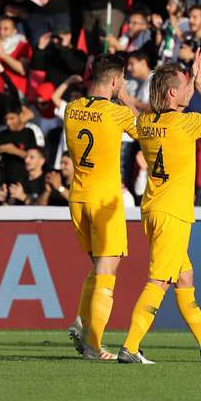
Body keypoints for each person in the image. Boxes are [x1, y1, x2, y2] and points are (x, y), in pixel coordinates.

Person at [118, 49, 201, 364]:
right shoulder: (188, 123)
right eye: (185, 85)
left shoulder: (146, 123)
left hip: (152, 209)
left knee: (185, 278)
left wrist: (124, 96)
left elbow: (135, 117)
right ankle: (130, 347)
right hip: (174, 213)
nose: (189, 89)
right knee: (159, 280)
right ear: (173, 92)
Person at [62, 54, 138, 360]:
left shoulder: (72, 108)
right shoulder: (115, 112)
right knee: (108, 271)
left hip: (78, 196)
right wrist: (126, 98)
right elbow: (143, 130)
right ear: (116, 81)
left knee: (98, 266)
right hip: (105, 200)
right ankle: (94, 344)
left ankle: (82, 322)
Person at [0, 100, 39, 186]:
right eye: (6, 119)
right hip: (5, 181)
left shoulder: (29, 133)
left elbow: (34, 158)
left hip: (24, 181)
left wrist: (14, 150)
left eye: (12, 118)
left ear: (20, 116)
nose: (8, 123)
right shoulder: (2, 134)